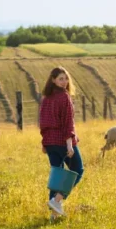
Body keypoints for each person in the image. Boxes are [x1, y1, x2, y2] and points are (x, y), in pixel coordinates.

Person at [39, 66, 84, 217]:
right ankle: (57, 200)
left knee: (56, 175)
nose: (64, 82)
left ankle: (54, 215)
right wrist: (69, 144)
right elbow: (67, 123)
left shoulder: (46, 99)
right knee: (77, 169)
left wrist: (44, 143)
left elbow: (43, 122)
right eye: (60, 79)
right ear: (53, 80)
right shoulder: (64, 97)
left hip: (50, 142)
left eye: (66, 79)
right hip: (62, 142)